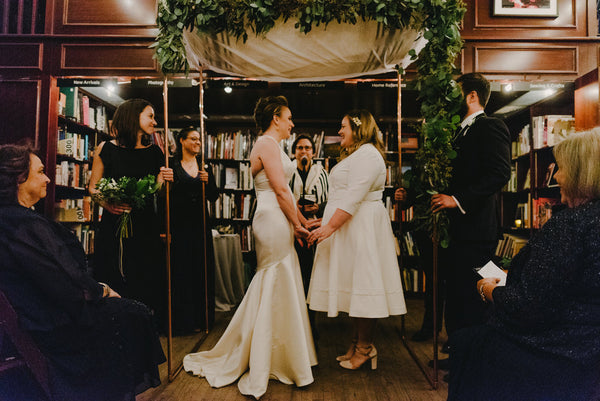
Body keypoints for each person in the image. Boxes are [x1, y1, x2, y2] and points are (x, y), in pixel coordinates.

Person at [0, 144, 165, 401]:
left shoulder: (13, 219)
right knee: (133, 314)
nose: (47, 178)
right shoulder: (25, 225)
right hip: (50, 322)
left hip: (39, 310)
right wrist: (102, 290)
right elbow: (58, 279)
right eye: (41, 172)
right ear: (19, 179)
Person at [448, 128, 600, 401]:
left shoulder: (568, 226)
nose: (556, 177)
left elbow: (528, 308)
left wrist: (489, 290)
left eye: (561, 169)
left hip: (556, 350)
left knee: (465, 344)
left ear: (580, 173)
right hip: (589, 350)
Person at [183, 96, 317, 399]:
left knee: (281, 277)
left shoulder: (275, 146)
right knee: (273, 276)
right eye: (289, 117)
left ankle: (282, 353)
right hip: (271, 217)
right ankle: (266, 354)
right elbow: (281, 189)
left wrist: (299, 220)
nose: (292, 124)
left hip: (278, 215)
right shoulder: (267, 145)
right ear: (275, 118)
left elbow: (287, 192)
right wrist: (297, 223)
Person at [307, 109, 407, 370]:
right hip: (351, 227)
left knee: (364, 288)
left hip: (362, 229)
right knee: (355, 289)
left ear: (358, 128)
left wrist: (329, 226)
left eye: (343, 127)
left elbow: (354, 197)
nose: (339, 131)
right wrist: (324, 219)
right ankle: (356, 342)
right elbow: (342, 196)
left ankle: (365, 348)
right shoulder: (358, 154)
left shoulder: (369, 155)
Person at [430, 73, 511, 369]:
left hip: (477, 230)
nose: (451, 99)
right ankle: (458, 354)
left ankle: (473, 363)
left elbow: (500, 173)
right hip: (457, 231)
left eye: (455, 92)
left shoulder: (491, 126)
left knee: (472, 297)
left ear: (471, 96)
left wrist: (457, 199)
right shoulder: (456, 132)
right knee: (455, 295)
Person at [88, 98, 173, 327]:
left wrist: (161, 181)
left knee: (144, 276)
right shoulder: (106, 148)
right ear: (134, 117)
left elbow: (153, 191)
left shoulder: (155, 152)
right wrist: (108, 205)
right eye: (150, 116)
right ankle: (112, 330)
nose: (154, 121)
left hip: (145, 224)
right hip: (114, 222)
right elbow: (93, 187)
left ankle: (142, 330)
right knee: (114, 273)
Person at [170, 127, 219, 334]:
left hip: (200, 224)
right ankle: (183, 321)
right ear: (182, 141)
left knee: (201, 268)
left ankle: (202, 319)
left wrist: (209, 183)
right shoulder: (171, 165)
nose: (198, 142)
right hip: (179, 225)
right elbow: (165, 196)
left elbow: (214, 197)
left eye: (199, 139)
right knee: (181, 270)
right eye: (193, 139)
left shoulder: (205, 166)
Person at [289, 134, 329, 337]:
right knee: (294, 275)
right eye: (299, 148)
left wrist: (319, 206)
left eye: (307, 148)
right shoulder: (287, 172)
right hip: (291, 231)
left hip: (314, 230)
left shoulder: (322, 173)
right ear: (294, 152)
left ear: (313, 152)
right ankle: (294, 321)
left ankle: (311, 322)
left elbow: (332, 200)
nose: (303, 151)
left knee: (311, 276)